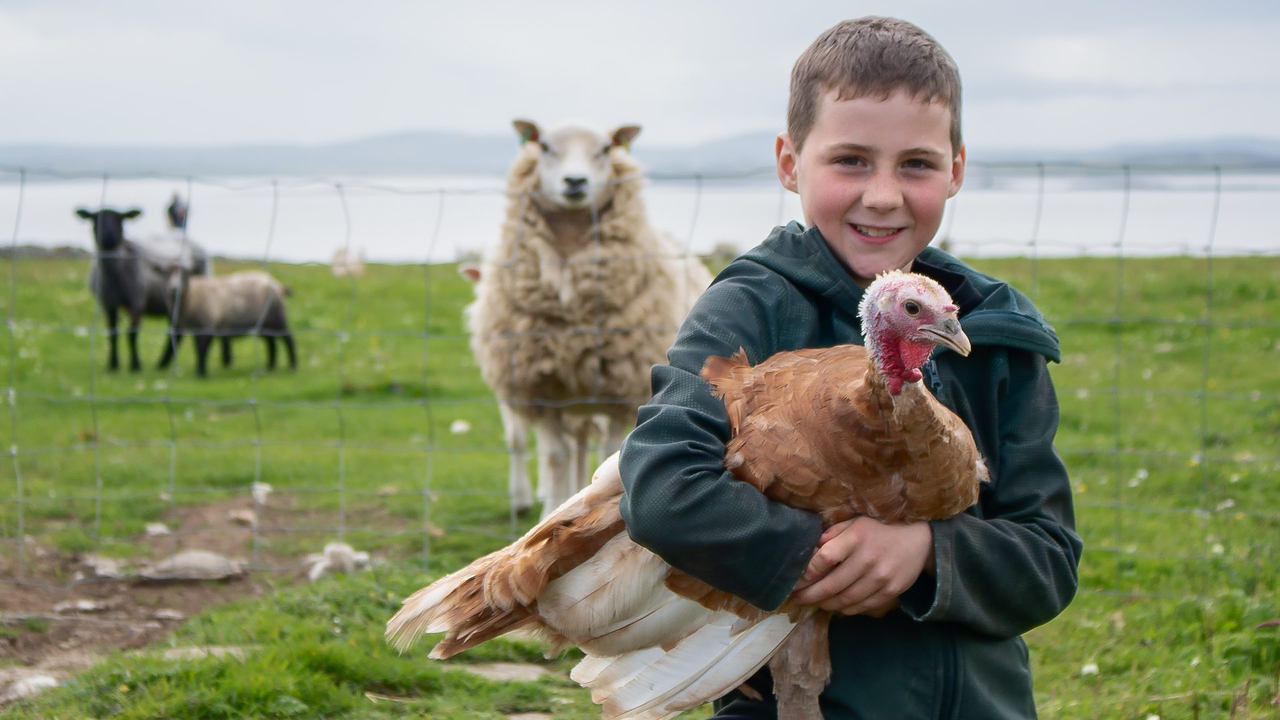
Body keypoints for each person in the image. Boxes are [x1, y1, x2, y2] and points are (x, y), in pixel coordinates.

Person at [618, 16, 1082, 719]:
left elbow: (1047, 557)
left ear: (956, 169)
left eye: (917, 165)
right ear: (788, 161)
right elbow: (659, 486)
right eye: (851, 161)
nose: (884, 195)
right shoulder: (751, 311)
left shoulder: (994, 335)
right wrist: (818, 554)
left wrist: (927, 554)